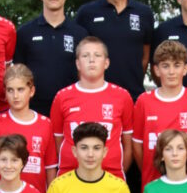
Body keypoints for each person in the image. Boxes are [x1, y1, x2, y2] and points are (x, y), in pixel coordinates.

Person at [50, 36, 134, 180]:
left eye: (97, 55)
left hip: (111, 177)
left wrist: (117, 170)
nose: (91, 60)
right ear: (77, 63)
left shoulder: (122, 96)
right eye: (85, 56)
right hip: (70, 178)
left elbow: (128, 144)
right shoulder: (62, 97)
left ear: (106, 63)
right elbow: (58, 142)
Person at [74, 0, 155, 100]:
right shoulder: (86, 13)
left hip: (133, 97)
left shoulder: (144, 13)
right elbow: (79, 56)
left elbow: (145, 57)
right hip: (96, 98)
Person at [133, 40, 187, 187]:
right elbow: (137, 146)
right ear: (156, 70)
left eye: (176, 65)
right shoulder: (144, 101)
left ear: (185, 69)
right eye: (165, 66)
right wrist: (150, 168)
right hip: (154, 183)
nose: (171, 72)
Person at [13, 0, 88, 116]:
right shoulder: (25, 33)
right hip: (33, 111)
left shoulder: (80, 34)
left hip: (71, 109)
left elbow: (84, 74)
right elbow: (18, 74)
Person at [0, 64, 57, 193]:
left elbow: (50, 167)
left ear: (31, 91)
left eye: (20, 89)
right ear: (5, 92)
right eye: (10, 90)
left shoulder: (45, 124)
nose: (15, 96)